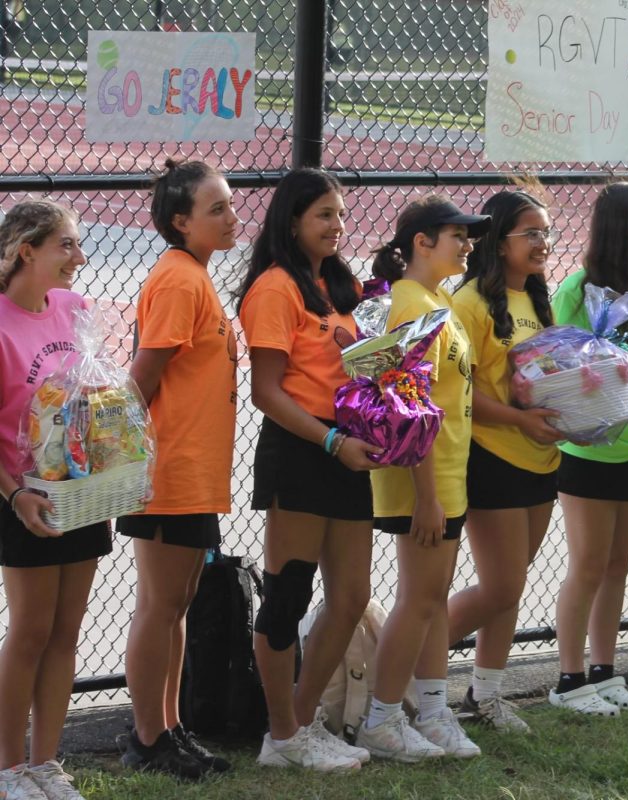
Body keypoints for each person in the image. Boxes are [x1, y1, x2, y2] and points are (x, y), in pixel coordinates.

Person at [235, 169, 382, 772]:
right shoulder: (275, 287)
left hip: (347, 450)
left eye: (342, 215)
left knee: (351, 597)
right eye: (324, 214)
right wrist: (329, 442)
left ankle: (297, 727)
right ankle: (282, 733)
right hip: (302, 451)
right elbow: (266, 393)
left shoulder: (336, 286)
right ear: (291, 220)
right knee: (288, 597)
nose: (337, 226)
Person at [116, 160, 239, 779]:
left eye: (228, 203)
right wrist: (115, 458)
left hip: (194, 473)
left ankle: (169, 728)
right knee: (160, 605)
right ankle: (145, 739)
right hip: (168, 471)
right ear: (180, 221)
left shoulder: (196, 275)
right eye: (214, 208)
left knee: (178, 605)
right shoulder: (179, 280)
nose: (230, 215)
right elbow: (143, 375)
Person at [357, 195, 488, 760]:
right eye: (457, 235)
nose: (468, 244)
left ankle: (433, 713)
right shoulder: (409, 305)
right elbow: (406, 407)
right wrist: (427, 497)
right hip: (422, 481)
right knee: (418, 599)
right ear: (421, 242)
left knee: (432, 598)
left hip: (448, 474)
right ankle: (381, 721)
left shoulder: (438, 299)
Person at [548, 181, 628, 716]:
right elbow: (564, 373)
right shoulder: (578, 290)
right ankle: (568, 679)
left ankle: (604, 670)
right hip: (588, 454)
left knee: (618, 565)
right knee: (588, 564)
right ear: (618, 225)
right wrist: (623, 405)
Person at [0, 200, 111, 800]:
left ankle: (46, 763)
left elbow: (90, 396)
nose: (79, 257)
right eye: (66, 245)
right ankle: (9, 768)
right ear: (27, 252)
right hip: (26, 496)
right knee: (31, 631)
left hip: (83, 489)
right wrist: (17, 494)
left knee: (67, 629)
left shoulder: (76, 310)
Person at [447, 190, 559, 732]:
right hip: (491, 458)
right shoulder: (467, 304)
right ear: (499, 241)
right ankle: (392, 674)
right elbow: (460, 396)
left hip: (540, 458)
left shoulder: (537, 298)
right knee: (499, 588)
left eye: (546, 232)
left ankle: (485, 696)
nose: (543, 243)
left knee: (510, 586)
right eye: (531, 233)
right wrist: (519, 421)